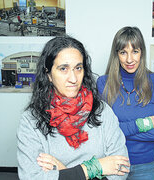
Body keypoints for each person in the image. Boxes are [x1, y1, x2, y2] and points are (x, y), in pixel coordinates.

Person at [17, 36, 130, 180]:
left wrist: (64, 171)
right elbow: (31, 177)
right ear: (49, 75)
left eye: (78, 68)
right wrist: (93, 168)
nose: (74, 78)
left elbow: (122, 169)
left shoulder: (102, 111)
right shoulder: (31, 120)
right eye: (63, 69)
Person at [97, 26, 154, 180]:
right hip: (113, 162)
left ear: (141, 52)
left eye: (135, 51)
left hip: (145, 165)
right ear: (116, 54)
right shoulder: (103, 83)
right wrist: (142, 124)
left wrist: (118, 129)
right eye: (123, 52)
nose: (129, 59)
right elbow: (102, 133)